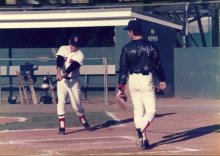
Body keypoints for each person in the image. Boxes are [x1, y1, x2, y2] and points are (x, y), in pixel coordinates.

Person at [117, 20, 167, 149]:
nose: (128, 33)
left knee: (138, 111)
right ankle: (141, 130)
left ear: (132, 32)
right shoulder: (151, 46)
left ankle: (143, 139)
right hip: (146, 80)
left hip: (132, 80)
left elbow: (123, 68)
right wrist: (162, 80)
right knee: (151, 111)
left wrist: (121, 87)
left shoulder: (126, 48)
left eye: (129, 31)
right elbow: (157, 64)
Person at [56, 34, 93, 135]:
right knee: (61, 103)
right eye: (73, 45)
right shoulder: (63, 48)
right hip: (62, 82)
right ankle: (62, 128)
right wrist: (58, 72)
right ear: (69, 42)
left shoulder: (80, 55)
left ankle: (84, 121)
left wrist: (63, 75)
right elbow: (59, 60)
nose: (74, 47)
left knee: (76, 106)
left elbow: (72, 67)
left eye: (76, 45)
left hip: (74, 81)